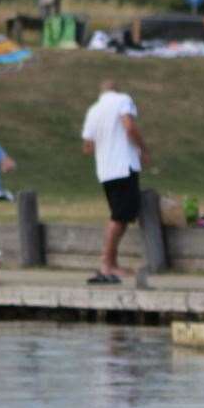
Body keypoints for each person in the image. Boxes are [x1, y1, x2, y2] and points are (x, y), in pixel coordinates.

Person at [80, 79, 148, 286]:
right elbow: (129, 126)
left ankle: (111, 263)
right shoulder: (123, 100)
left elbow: (88, 147)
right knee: (119, 217)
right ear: (117, 90)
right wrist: (143, 148)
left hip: (106, 170)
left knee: (121, 215)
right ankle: (107, 264)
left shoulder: (93, 110)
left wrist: (106, 141)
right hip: (123, 165)